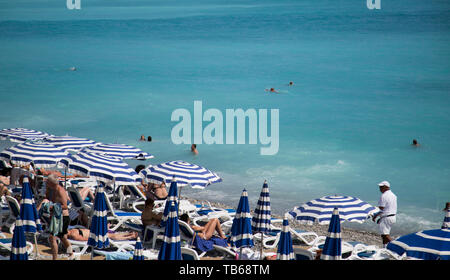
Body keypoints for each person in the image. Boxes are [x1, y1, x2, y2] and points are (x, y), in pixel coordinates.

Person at [45, 174, 74, 260]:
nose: (46, 183)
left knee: (52, 238)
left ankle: (55, 258)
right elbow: (50, 199)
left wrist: (53, 207)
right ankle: (71, 254)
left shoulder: (60, 191)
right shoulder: (53, 189)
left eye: (47, 182)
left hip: (62, 217)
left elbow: (65, 205)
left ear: (51, 182)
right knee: (63, 238)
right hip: (58, 216)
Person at [372, 181, 397, 247]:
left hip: (386, 217)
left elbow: (381, 208)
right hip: (392, 217)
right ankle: (385, 248)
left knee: (385, 235)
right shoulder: (393, 195)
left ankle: (397, 246)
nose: (380, 189)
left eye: (381, 187)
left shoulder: (384, 196)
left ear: (386, 187)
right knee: (384, 234)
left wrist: (375, 215)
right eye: (380, 187)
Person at [67, 226, 138, 241]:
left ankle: (128, 234)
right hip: (95, 236)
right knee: (110, 235)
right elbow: (85, 239)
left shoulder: (70, 230)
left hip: (93, 232)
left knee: (108, 233)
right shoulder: (73, 235)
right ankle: (128, 237)